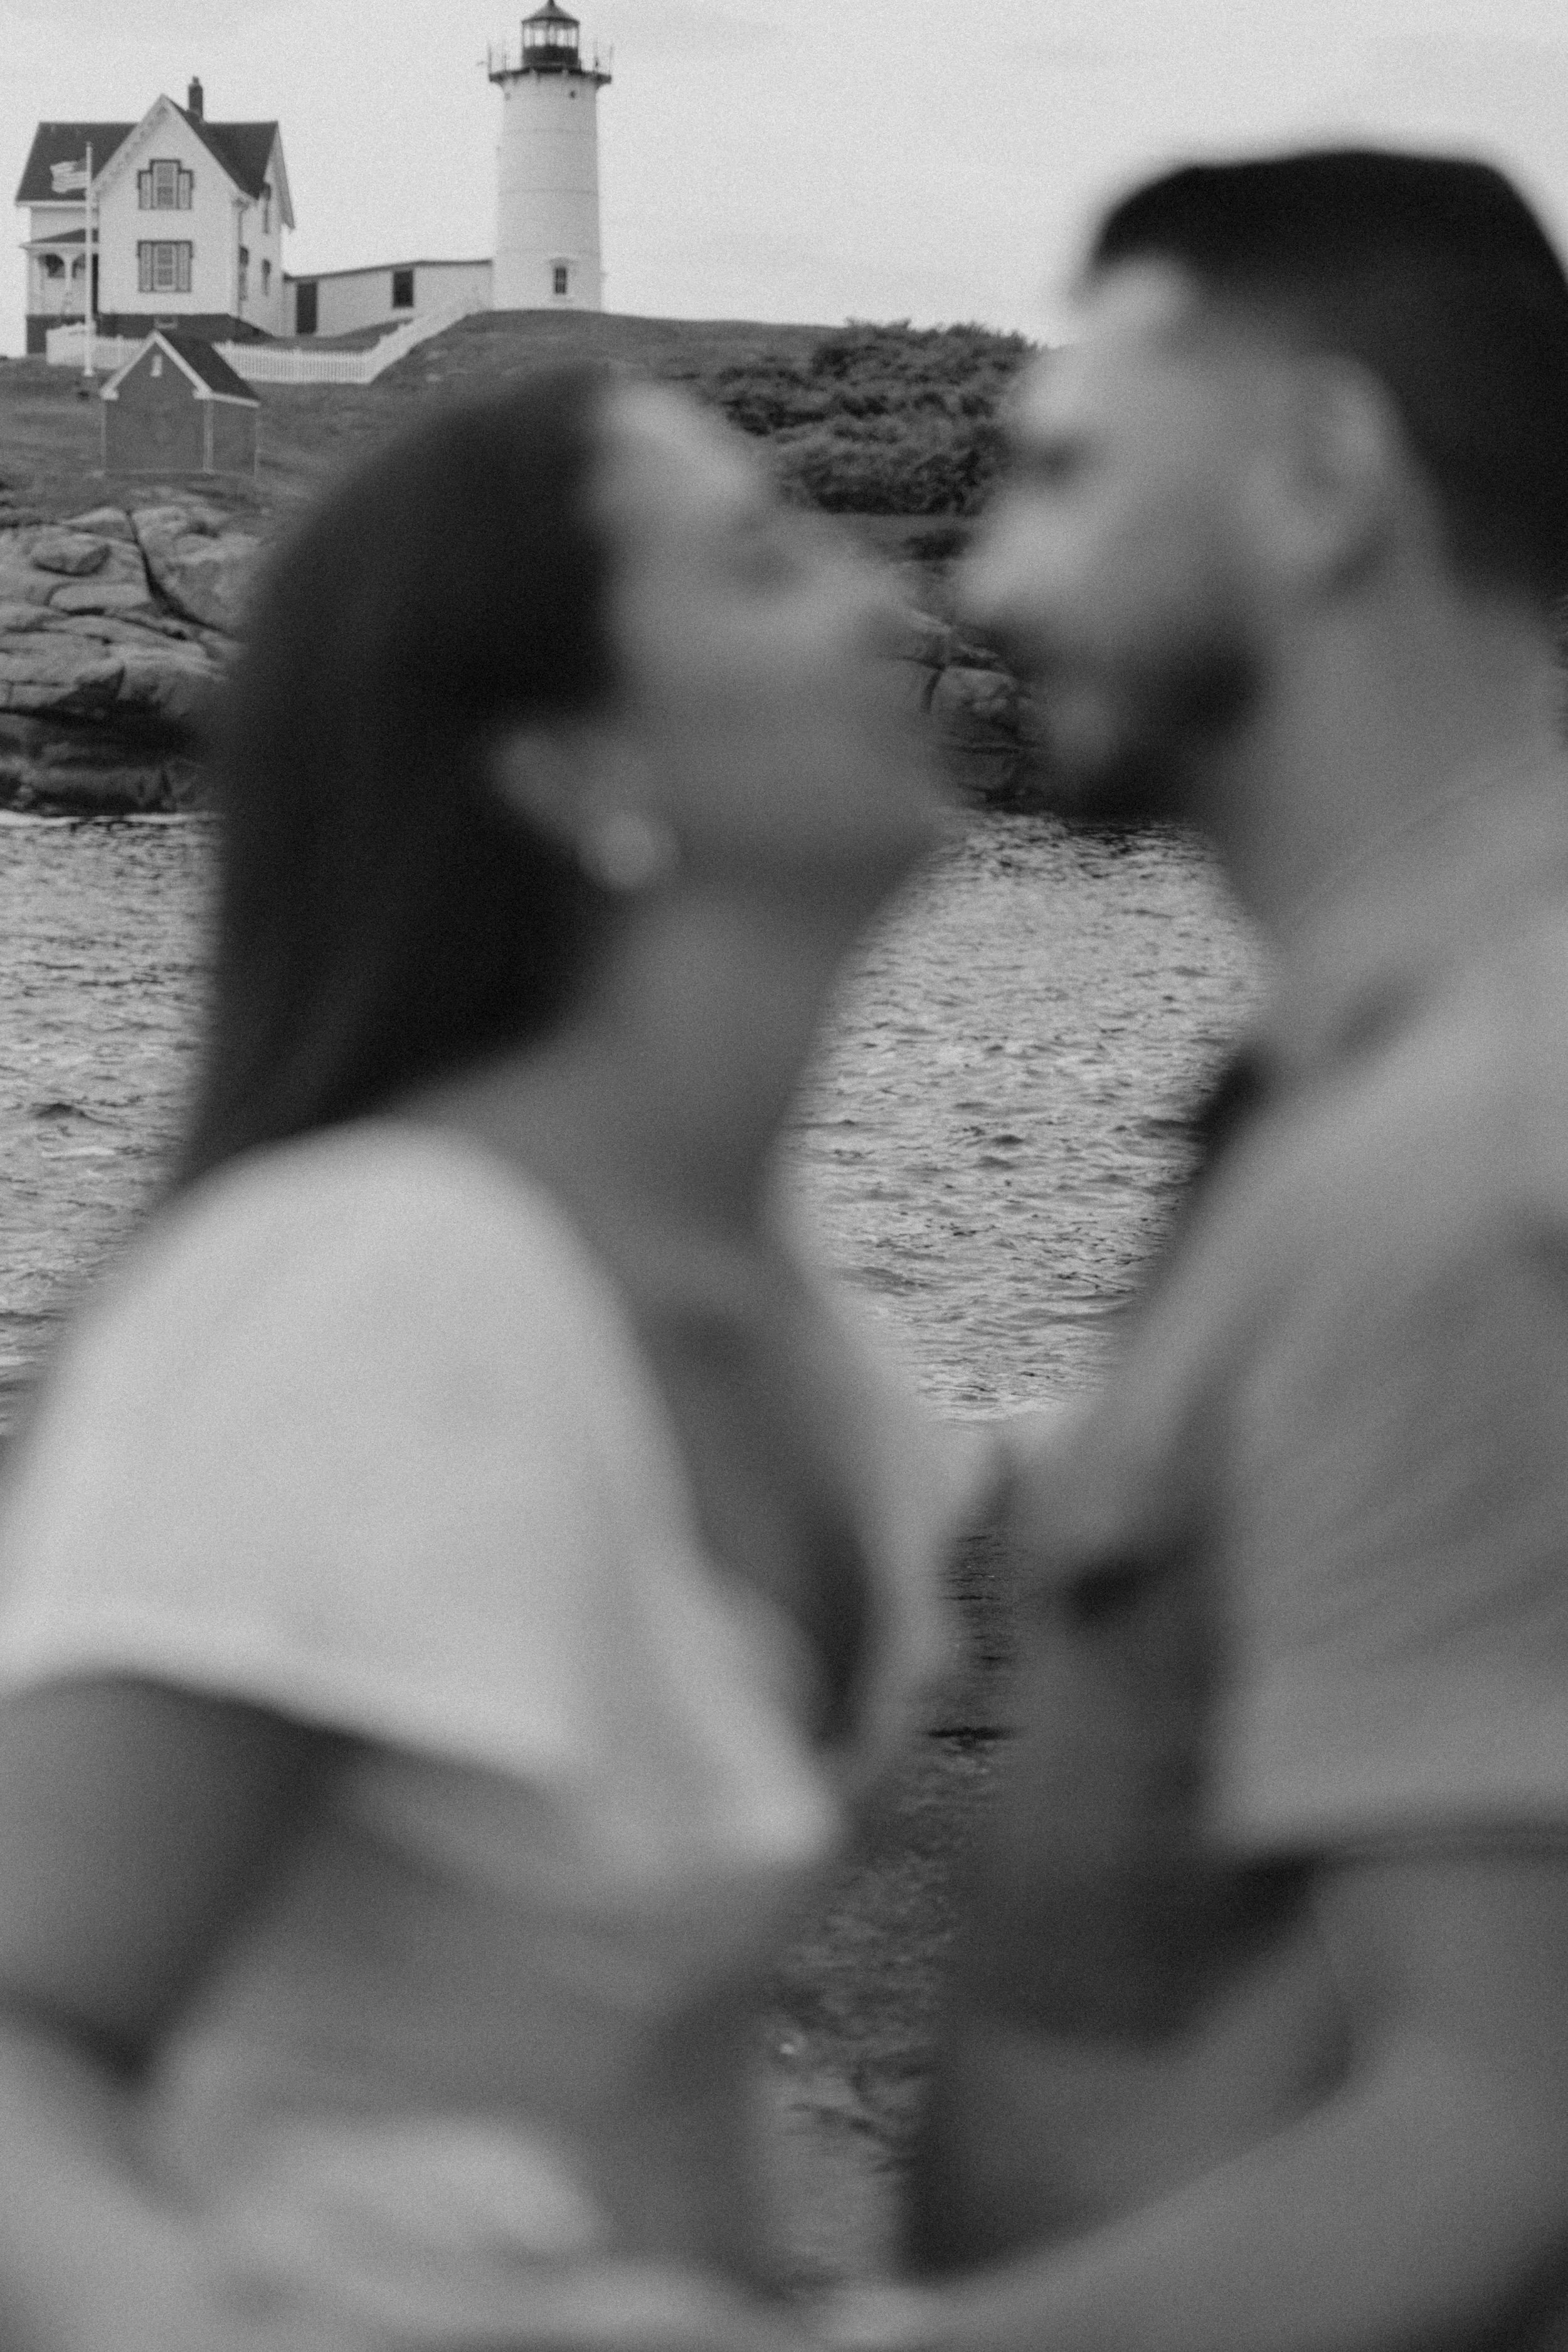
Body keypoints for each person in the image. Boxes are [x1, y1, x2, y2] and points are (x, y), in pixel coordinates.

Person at [0, 365, 963, 2349]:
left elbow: (663, 2095)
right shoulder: (371, 1286)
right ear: (566, 760)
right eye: (759, 559)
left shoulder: (798, 1330)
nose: (883, 604)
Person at [829, 150, 1568, 2351]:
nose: (992, 570)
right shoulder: (1377, 1082)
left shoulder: (1455, 1172)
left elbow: (1499, 2126)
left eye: (1063, 469)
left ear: (1322, 474)